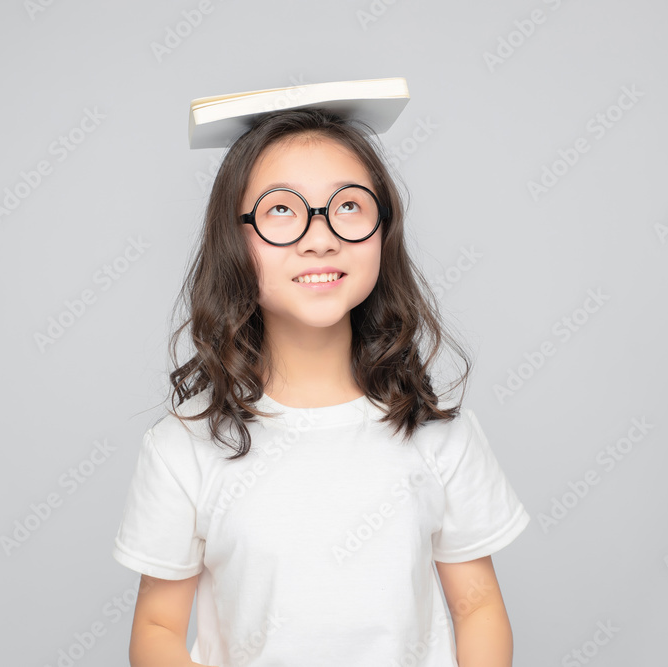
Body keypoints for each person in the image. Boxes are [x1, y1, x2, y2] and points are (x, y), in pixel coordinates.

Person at [111, 105, 530, 667]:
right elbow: (159, 627)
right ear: (232, 238)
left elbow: (478, 608)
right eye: (280, 210)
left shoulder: (438, 433)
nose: (320, 238)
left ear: (384, 229)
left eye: (349, 206)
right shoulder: (183, 446)